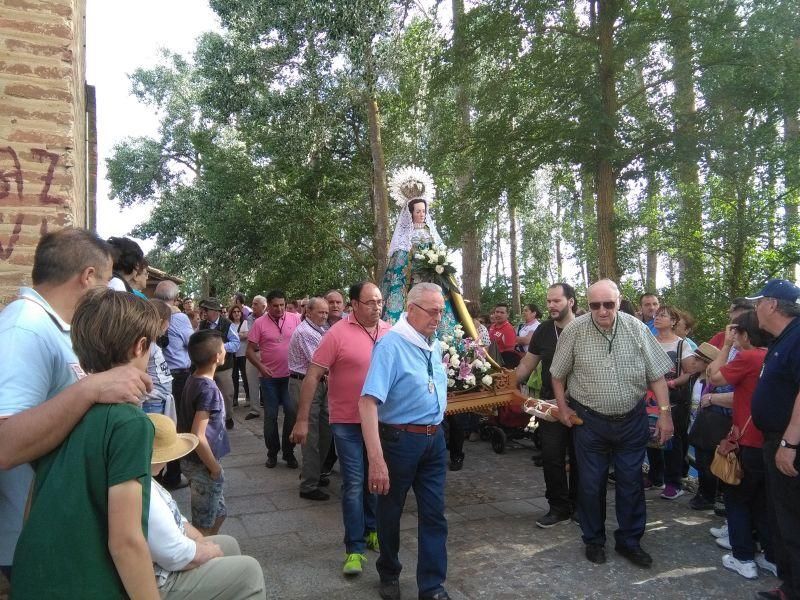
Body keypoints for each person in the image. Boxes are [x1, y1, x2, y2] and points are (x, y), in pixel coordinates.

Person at [0, 229, 153, 580]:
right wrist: (91, 389)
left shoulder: (51, 327)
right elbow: (5, 446)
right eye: (106, 281)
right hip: (41, 544)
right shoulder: (24, 329)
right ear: (87, 277)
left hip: (64, 534)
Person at [12, 288, 161, 599]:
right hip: (90, 586)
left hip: (33, 580)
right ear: (141, 346)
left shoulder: (58, 412)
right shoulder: (130, 424)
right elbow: (126, 542)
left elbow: (32, 508)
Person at [551, 279, 674, 568]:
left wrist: (665, 414)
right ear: (586, 304)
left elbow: (657, 375)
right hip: (590, 422)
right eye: (595, 305)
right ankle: (593, 541)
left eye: (609, 304)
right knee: (591, 485)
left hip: (632, 420)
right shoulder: (575, 331)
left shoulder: (637, 328)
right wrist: (563, 408)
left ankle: (630, 542)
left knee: (631, 483)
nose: (603, 311)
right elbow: (557, 374)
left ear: (619, 301)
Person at [291, 282, 391, 576]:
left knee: (377, 477)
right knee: (353, 483)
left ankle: (373, 529)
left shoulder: (389, 331)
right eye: (370, 302)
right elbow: (312, 376)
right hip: (346, 422)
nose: (376, 307)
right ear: (354, 304)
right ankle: (354, 549)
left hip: (381, 422)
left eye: (379, 301)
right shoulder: (336, 334)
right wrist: (302, 419)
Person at [360, 283, 450, 600]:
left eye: (441, 310)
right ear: (410, 310)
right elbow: (368, 402)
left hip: (434, 439)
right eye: (432, 310)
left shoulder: (433, 344)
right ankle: (389, 570)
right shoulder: (391, 346)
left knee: (435, 513)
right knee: (390, 511)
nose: (439, 317)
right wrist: (376, 459)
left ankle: (432, 586)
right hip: (399, 441)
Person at [146, 414, 266, 599]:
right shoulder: (144, 493)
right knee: (249, 572)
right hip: (163, 579)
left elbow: (178, 519)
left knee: (229, 544)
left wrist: (199, 540)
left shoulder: (149, 482)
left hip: (168, 561)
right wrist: (206, 550)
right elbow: (174, 555)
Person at [706, 311, 776, 580]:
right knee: (761, 502)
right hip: (769, 440)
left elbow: (714, 377)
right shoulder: (771, 356)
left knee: (737, 499)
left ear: (744, 333)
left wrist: (725, 346)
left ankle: (743, 557)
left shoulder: (748, 357)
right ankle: (771, 556)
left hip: (746, 441)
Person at [747, 279, 800, 600]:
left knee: (792, 520)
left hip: (788, 442)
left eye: (758, 303)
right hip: (775, 439)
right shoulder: (782, 339)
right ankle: (790, 586)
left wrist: (789, 444)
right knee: (782, 518)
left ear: (772, 305)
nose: (755, 310)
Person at [515, 283, 578, 528]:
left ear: (570, 301)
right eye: (549, 301)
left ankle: (580, 507)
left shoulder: (586, 326)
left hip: (583, 406)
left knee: (581, 459)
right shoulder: (543, 330)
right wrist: (499, 382)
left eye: (557, 301)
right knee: (551, 458)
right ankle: (558, 508)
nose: (551, 305)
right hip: (549, 406)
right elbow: (526, 366)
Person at [380, 167, 459, 337]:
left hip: (433, 281)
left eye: (424, 211)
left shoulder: (432, 235)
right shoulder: (404, 239)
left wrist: (437, 265)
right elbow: (399, 265)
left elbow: (440, 257)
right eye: (418, 211)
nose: (422, 214)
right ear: (411, 213)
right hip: (412, 283)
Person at [178, 330, 231, 535]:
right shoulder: (208, 390)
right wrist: (215, 468)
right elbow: (198, 435)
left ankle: (210, 548)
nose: (225, 350)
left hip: (199, 463)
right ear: (217, 356)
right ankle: (203, 557)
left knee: (218, 514)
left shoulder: (194, 378)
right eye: (223, 347)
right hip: (202, 464)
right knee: (203, 524)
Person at [247, 289, 302, 468]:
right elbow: (249, 351)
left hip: (290, 376)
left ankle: (289, 452)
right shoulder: (259, 323)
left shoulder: (295, 318)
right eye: (275, 306)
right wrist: (261, 367)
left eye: (282, 305)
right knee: (270, 416)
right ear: (268, 306)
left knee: (292, 413)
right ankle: (272, 453)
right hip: (268, 378)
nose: (279, 309)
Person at [646, 306, 695, 500]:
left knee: (672, 439)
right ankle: (654, 476)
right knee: (651, 436)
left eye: (663, 316)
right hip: (649, 397)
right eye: (656, 315)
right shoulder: (649, 342)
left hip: (674, 398)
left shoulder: (682, 345)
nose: (657, 318)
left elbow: (689, 371)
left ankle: (674, 482)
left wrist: (672, 383)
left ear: (674, 321)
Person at [287, 297, 333, 500]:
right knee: (311, 436)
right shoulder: (306, 332)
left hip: (320, 383)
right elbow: (321, 362)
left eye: (326, 312)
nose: (324, 315)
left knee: (325, 432)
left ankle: (313, 473)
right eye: (320, 312)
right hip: (305, 383)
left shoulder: (320, 329)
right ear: (308, 312)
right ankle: (308, 485)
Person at [155, 280, 196, 490]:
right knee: (176, 424)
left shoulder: (151, 312)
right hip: (178, 375)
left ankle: (160, 470)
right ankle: (173, 474)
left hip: (157, 375)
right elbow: (193, 342)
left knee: (161, 422)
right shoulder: (178, 317)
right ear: (175, 296)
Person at [198, 297, 240, 430]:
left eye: (206, 310)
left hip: (224, 367)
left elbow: (236, 344)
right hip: (207, 366)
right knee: (207, 393)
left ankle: (228, 417)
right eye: (203, 309)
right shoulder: (202, 325)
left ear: (215, 311)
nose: (204, 312)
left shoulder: (227, 324)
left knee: (227, 393)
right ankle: (211, 419)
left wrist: (219, 348)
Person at [141, 299, 177, 419]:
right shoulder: (147, 345)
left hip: (159, 400)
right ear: (161, 322)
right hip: (152, 402)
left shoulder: (152, 343)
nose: (169, 327)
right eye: (169, 322)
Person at [244, 295, 267, 421]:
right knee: (252, 381)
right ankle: (255, 409)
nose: (252, 306)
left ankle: (269, 407)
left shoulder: (269, 319)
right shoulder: (249, 318)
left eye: (255, 304)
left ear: (264, 306)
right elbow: (251, 336)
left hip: (266, 353)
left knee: (267, 381)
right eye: (252, 304)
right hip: (252, 352)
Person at [229, 305, 250, 410]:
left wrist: (236, 336)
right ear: (231, 314)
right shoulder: (230, 325)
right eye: (234, 312)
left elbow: (246, 335)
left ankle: (248, 397)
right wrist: (240, 335)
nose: (237, 313)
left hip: (243, 354)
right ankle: (235, 399)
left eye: (238, 311)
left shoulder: (245, 323)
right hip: (233, 355)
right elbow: (230, 338)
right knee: (234, 378)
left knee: (245, 376)